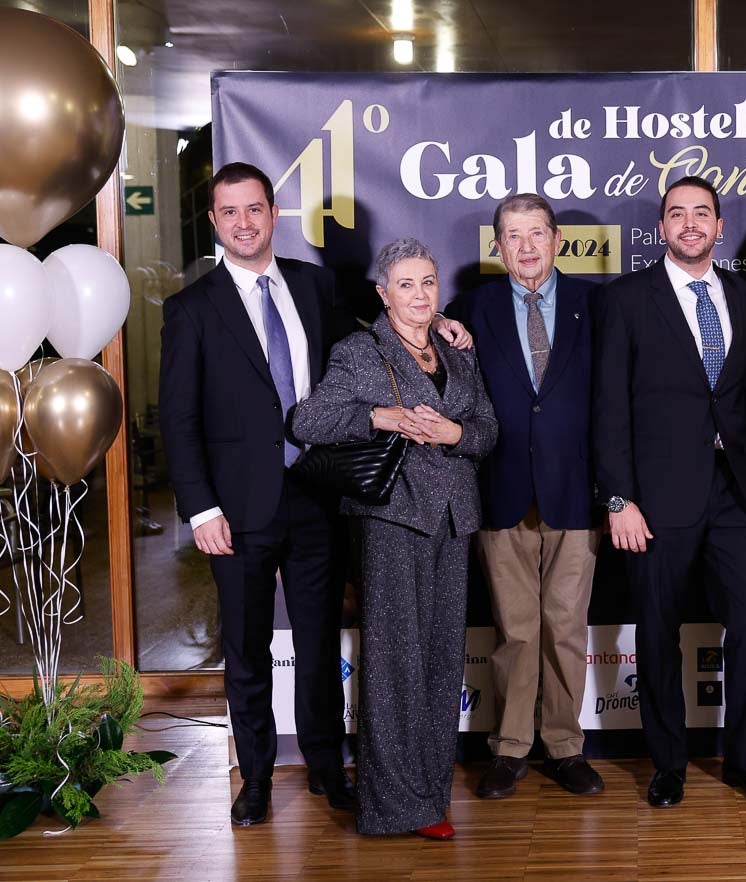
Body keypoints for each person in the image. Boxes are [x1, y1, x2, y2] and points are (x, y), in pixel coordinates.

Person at [158, 162, 471, 827]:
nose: (243, 222)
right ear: (214, 222)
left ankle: (329, 771)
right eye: (229, 212)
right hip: (235, 508)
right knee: (244, 650)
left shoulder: (313, 284)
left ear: (273, 214)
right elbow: (178, 419)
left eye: (254, 209)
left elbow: (381, 329)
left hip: (318, 495)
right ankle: (256, 779)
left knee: (320, 642)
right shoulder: (190, 309)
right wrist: (201, 508)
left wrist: (438, 320)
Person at [292, 238, 498, 839]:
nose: (419, 295)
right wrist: (381, 416)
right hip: (392, 519)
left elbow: (487, 430)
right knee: (393, 665)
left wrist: (454, 430)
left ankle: (430, 800)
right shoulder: (362, 351)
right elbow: (308, 421)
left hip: (454, 519)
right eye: (406, 285)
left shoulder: (458, 352)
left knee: (438, 666)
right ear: (383, 293)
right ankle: (388, 808)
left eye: (428, 282)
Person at [593, 175, 746, 808]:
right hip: (656, 497)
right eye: (678, 214)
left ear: (720, 226)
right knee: (657, 631)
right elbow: (608, 407)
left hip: (737, 492)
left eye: (703, 213)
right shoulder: (625, 299)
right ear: (662, 228)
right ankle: (668, 763)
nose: (691, 223)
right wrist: (618, 498)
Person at [445, 194, 604, 800]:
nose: (527, 247)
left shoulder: (596, 306)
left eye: (537, 233)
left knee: (565, 627)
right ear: (499, 246)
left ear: (557, 240)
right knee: (514, 630)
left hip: (574, 492)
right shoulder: (470, 310)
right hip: (501, 488)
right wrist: (436, 325)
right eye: (513, 236)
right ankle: (510, 750)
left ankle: (565, 748)